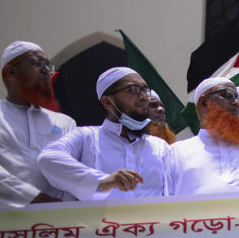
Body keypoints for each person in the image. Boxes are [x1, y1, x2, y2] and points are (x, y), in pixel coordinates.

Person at [38, 67, 167, 200]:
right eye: (133, 89)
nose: (144, 97)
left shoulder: (160, 146)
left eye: (145, 90)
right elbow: (48, 159)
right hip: (99, 220)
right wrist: (102, 181)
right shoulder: (86, 137)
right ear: (108, 102)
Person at [0, 41, 75, 207]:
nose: (46, 70)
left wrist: (62, 207)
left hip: (57, 223)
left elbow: (72, 173)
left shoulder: (64, 122)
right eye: (38, 63)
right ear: (11, 72)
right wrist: (33, 198)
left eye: (48, 65)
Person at [164, 78, 239, 195]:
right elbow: (166, 199)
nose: (235, 102)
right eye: (228, 95)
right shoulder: (176, 152)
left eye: (237, 98)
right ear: (203, 103)